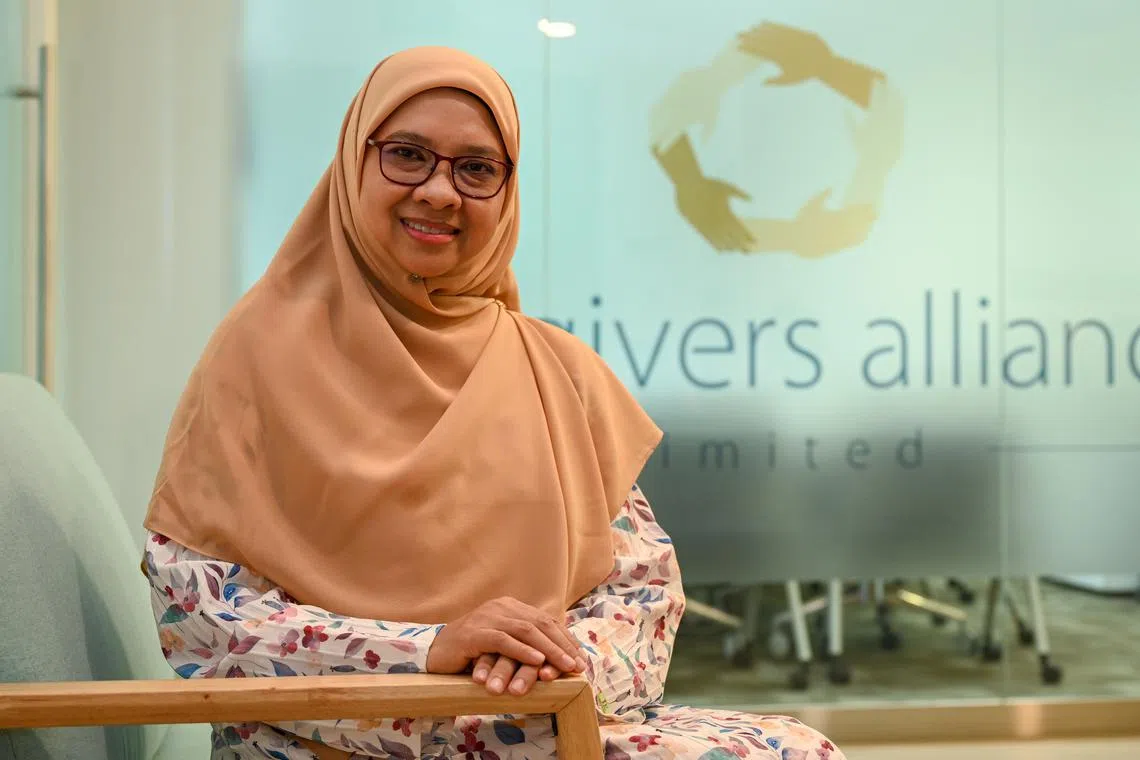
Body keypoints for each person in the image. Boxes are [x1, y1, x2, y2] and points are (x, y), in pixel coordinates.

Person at [141, 46, 845, 760]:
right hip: (327, 739)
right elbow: (200, 618)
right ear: (355, 163)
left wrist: (542, 667)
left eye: (476, 169)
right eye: (408, 155)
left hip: (536, 718)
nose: (439, 192)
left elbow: (642, 593)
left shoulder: (552, 368)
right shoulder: (255, 357)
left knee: (796, 748)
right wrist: (429, 651)